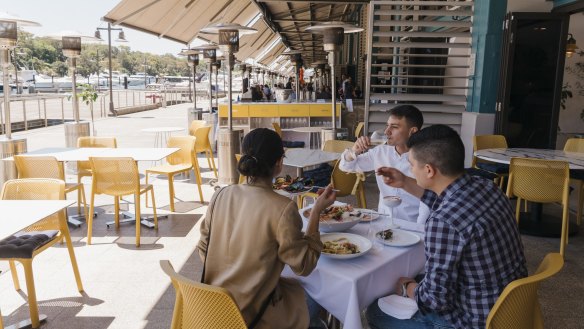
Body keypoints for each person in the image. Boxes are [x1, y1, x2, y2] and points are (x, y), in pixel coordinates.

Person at [367, 125, 527, 329]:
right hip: (512, 308)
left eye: (411, 165)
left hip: (474, 321)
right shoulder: (487, 186)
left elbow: (435, 301)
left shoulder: (442, 221)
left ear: (428, 170)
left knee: (375, 311)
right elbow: (447, 204)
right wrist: (405, 182)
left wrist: (408, 287)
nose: (411, 170)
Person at [197, 128, 336, 329]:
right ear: (279, 163)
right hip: (253, 314)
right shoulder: (283, 208)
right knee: (319, 298)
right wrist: (316, 212)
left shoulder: (220, 195)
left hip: (214, 309)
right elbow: (304, 265)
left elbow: (203, 249)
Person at [339, 105, 430, 230]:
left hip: (412, 225)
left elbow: (427, 201)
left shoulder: (426, 157)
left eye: (394, 127)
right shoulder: (381, 152)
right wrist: (354, 150)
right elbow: (345, 166)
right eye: (387, 125)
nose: (387, 131)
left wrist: (419, 229)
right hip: (383, 222)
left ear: (412, 131)